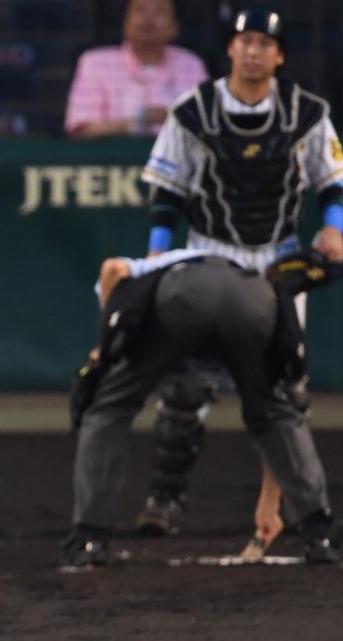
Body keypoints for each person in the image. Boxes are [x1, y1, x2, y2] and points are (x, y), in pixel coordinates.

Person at [132, 6, 343, 538]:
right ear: (230, 48)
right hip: (210, 254)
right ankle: (164, 500)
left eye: (264, 43)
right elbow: (168, 193)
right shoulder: (193, 110)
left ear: (280, 55)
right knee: (184, 386)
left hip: (280, 261)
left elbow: (332, 182)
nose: (253, 51)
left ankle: (291, 503)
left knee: (285, 394)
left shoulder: (307, 112)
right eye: (244, 41)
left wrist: (336, 228)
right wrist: (158, 250)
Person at [62, 252, 341, 568]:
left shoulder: (160, 264)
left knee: (110, 409)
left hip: (182, 299)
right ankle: (320, 533)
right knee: (275, 414)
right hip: (252, 302)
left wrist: (104, 350)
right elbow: (289, 367)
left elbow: (113, 268)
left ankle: (90, 537)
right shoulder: (256, 271)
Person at [64, 0, 207, 139]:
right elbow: (82, 130)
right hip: (112, 160)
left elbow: (209, 128)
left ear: (175, 26)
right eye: (140, 9)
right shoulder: (95, 64)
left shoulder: (190, 65)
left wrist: (170, 119)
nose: (148, 17)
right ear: (125, 21)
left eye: (159, 11)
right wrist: (136, 123)